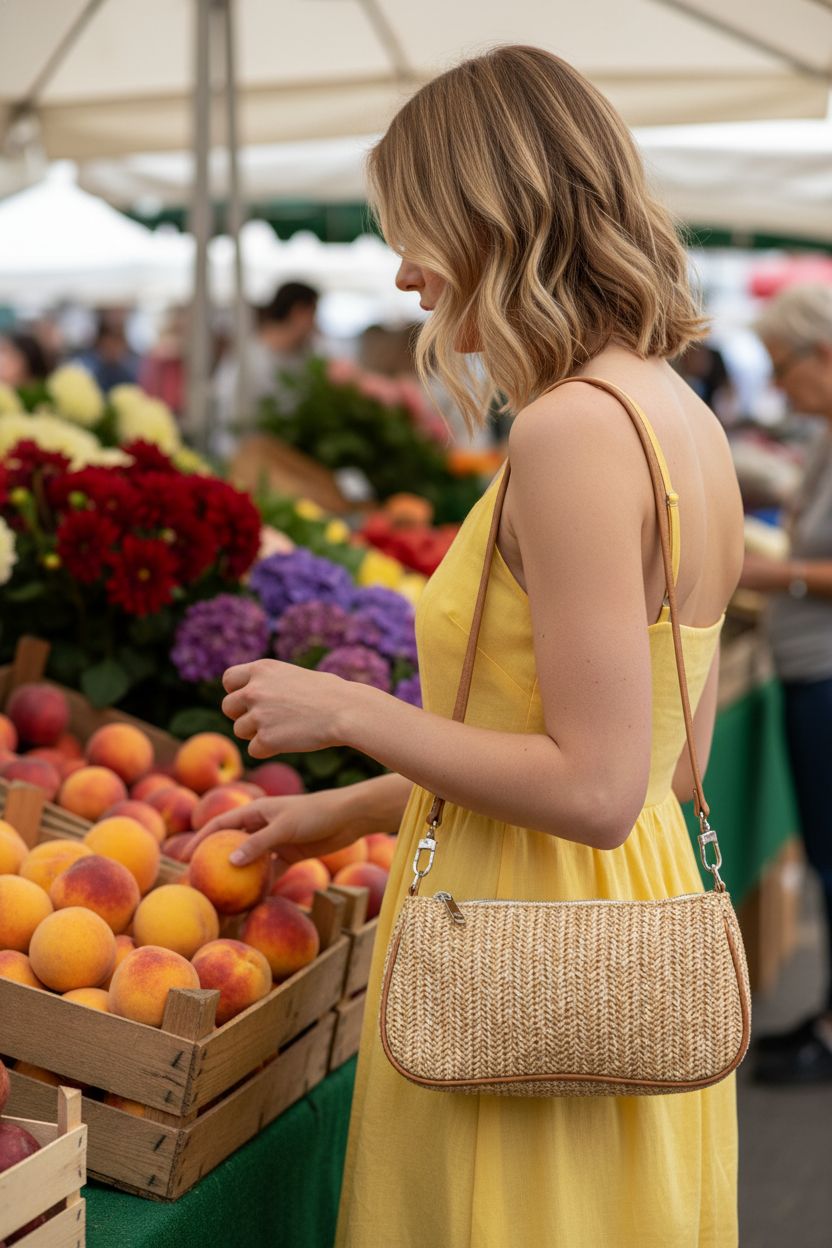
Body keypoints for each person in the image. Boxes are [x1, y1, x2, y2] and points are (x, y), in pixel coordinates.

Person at [184, 47, 744, 1246]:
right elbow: (650, 764)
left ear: (498, 217)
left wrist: (345, 715)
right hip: (622, 939)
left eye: (418, 229)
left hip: (519, 963)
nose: (404, 274)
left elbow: (591, 789)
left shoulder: (570, 432)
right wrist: (345, 810)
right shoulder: (676, 412)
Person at [739, 283, 832, 1083]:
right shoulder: (824, 436)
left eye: (781, 366)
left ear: (823, 356)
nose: (777, 385)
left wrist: (772, 575)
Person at [212, 280, 319, 456]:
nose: (315, 323)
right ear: (298, 312)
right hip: (247, 457)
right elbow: (228, 414)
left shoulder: (308, 356)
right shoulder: (247, 358)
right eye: (313, 314)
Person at [75, 314, 139, 391]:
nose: (115, 348)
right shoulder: (86, 368)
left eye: (119, 342)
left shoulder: (128, 371)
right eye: (111, 342)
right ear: (100, 342)